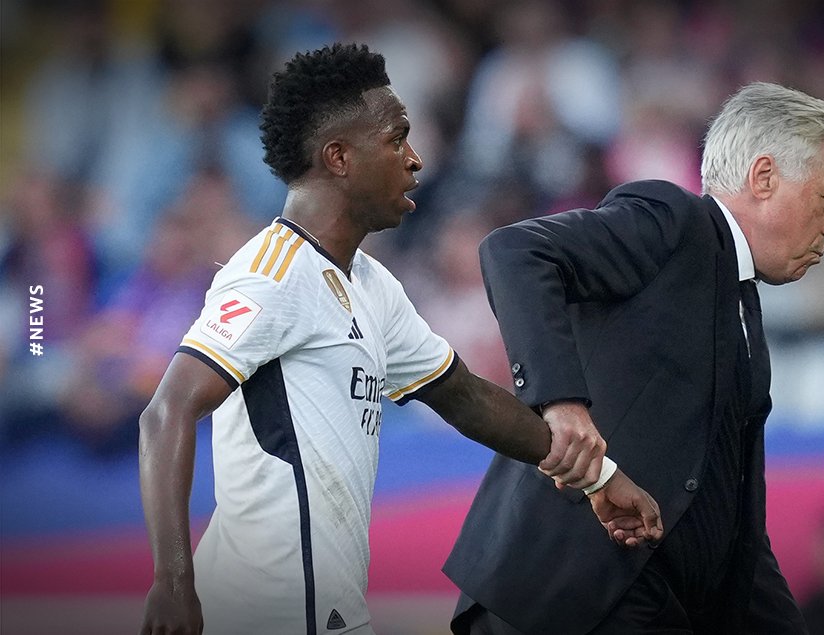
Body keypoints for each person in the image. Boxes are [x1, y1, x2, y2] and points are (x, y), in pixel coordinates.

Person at [137, 43, 663, 635]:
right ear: (338, 157)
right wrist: (172, 584)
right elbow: (166, 411)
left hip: (332, 616)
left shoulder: (371, 283)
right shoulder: (273, 275)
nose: (415, 160)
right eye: (396, 140)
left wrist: (598, 476)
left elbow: (464, 397)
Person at [444, 82, 824, 634]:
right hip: (558, 594)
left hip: (645, 601)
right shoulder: (675, 220)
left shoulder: (743, 301)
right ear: (764, 177)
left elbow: (731, 521)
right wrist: (560, 403)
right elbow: (516, 251)